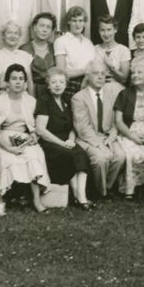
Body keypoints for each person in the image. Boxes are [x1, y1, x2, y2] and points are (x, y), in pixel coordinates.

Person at [34, 67, 92, 209]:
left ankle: (81, 196)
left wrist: (71, 140)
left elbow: (72, 127)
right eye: (54, 82)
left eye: (61, 82)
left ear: (66, 84)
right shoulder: (44, 100)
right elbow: (41, 130)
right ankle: (79, 196)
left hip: (66, 140)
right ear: (48, 84)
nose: (58, 85)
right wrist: (62, 143)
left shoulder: (66, 100)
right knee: (69, 155)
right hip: (49, 142)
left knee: (81, 153)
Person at [70, 60, 126, 199]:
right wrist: (100, 144)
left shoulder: (111, 93)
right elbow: (83, 128)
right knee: (102, 157)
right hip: (88, 138)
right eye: (96, 74)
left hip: (107, 136)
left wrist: (111, 137)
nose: (100, 77)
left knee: (120, 156)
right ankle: (99, 192)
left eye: (103, 73)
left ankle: (107, 187)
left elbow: (114, 121)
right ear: (87, 76)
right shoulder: (78, 98)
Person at [114, 56, 144, 200]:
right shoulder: (124, 94)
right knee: (131, 153)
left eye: (139, 72)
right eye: (133, 73)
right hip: (129, 132)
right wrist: (131, 136)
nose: (135, 75)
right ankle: (130, 188)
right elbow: (118, 121)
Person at [54, 7, 96, 91]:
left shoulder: (88, 43)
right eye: (74, 20)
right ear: (69, 22)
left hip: (90, 82)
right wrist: (85, 71)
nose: (78, 24)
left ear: (84, 23)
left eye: (81, 21)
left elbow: (94, 65)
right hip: (71, 84)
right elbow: (61, 73)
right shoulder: (61, 41)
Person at [0, 21, 35, 91]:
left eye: (16, 33)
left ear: (19, 36)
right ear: (3, 36)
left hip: (23, 96)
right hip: (3, 96)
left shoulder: (26, 56)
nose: (13, 36)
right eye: (9, 33)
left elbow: (30, 82)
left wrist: (32, 100)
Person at [21, 12, 57, 98]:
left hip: (54, 91)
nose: (44, 30)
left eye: (48, 27)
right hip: (33, 92)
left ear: (52, 31)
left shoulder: (55, 47)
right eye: (42, 25)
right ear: (34, 27)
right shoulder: (24, 49)